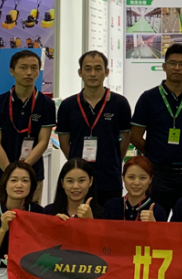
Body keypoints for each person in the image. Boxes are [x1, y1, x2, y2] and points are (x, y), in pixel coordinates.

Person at [130, 43, 182, 210]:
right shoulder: (148, 98)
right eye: (172, 63)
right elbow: (135, 137)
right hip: (158, 174)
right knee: (155, 220)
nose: (177, 68)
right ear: (164, 67)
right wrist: (154, 153)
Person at [56, 51, 132, 208]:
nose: (92, 74)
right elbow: (64, 143)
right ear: (80, 72)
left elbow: (125, 139)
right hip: (78, 181)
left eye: (98, 69)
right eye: (88, 69)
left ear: (106, 72)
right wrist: (77, 163)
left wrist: (113, 160)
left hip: (109, 178)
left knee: (108, 220)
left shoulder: (119, 103)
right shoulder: (68, 105)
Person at [0, 50, 55, 202]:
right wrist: (10, 172)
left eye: (34, 68)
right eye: (23, 67)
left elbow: (43, 141)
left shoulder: (47, 104)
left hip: (32, 174)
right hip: (1, 174)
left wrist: (22, 172)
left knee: (30, 215)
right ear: (12, 71)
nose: (29, 72)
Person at [99, 156, 169, 221]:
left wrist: (154, 225)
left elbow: (162, 231)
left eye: (142, 178)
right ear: (123, 177)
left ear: (150, 179)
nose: (136, 183)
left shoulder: (157, 211)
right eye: (131, 177)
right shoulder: (111, 206)